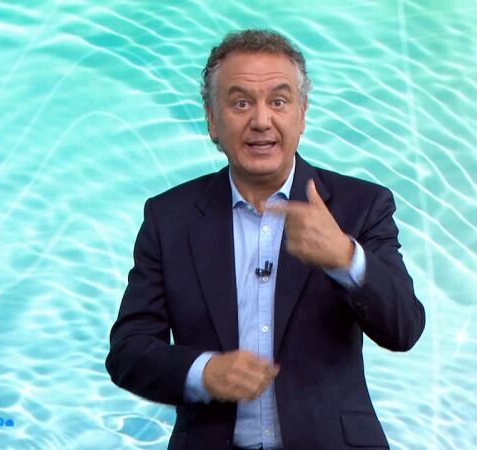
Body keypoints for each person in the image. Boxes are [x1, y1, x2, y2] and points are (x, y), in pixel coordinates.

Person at [106, 29, 425, 450]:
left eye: (278, 101)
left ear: (302, 114)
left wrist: (345, 258)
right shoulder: (170, 218)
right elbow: (128, 352)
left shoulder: (361, 205)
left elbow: (404, 329)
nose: (261, 120)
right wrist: (205, 373)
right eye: (241, 103)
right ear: (212, 119)